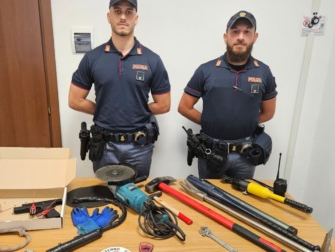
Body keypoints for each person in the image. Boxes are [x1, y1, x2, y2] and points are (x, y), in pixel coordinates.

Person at [69, 0, 171, 178]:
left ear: (136, 18)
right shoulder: (92, 58)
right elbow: (74, 100)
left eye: (129, 12)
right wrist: (105, 108)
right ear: (109, 16)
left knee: (137, 197)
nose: (123, 17)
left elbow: (164, 105)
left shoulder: (152, 59)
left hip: (139, 146)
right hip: (105, 146)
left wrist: (134, 108)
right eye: (117, 11)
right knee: (107, 196)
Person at [178, 10, 277, 179]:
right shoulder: (206, 70)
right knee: (209, 200)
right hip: (211, 152)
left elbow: (268, 112)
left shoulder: (264, 72)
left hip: (245, 156)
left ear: (255, 37)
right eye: (235, 31)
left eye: (247, 32)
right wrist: (211, 121)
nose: (240, 37)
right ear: (226, 37)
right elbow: (184, 107)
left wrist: (243, 122)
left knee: (241, 203)